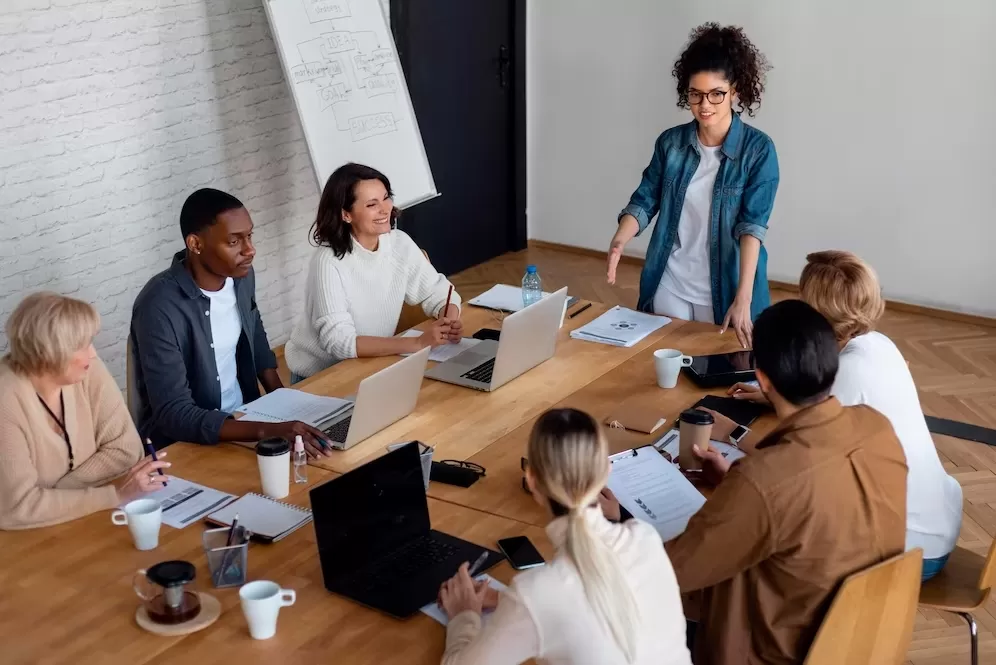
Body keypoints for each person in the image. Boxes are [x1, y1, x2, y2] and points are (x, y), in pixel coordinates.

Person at [615, 300, 907, 664]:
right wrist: (734, 487)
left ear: (762, 379)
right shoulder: (876, 427)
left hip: (777, 651)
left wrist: (616, 520)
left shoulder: (765, 481)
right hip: (865, 638)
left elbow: (670, 572)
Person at [729, 250, 963, 580]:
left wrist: (730, 432)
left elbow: (790, 461)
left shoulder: (849, 371)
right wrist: (772, 397)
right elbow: (831, 408)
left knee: (771, 541)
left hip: (911, 551)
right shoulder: (879, 344)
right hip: (936, 521)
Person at [436, 408, 691, 665]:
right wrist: (508, 604)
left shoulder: (537, 594)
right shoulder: (645, 537)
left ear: (532, 480)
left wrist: (464, 615)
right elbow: (591, 604)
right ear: (605, 472)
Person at [607, 23, 779, 348]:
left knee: (719, 374)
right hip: (669, 280)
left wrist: (743, 298)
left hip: (726, 286)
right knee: (661, 366)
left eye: (717, 94)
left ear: (736, 90)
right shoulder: (671, 144)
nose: (705, 105)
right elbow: (645, 201)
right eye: (696, 94)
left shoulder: (758, 151)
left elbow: (751, 229)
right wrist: (620, 239)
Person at [130, 188, 332, 458]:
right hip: (190, 444)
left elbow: (255, 337)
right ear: (195, 244)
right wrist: (265, 430)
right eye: (234, 242)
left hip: (245, 417)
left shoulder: (241, 277)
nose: (250, 250)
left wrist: (288, 409)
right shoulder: (159, 305)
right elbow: (174, 414)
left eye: (249, 236)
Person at [0, 293, 169, 530]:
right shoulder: (6, 400)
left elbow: (127, 450)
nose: (93, 353)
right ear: (50, 353)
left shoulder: (87, 370)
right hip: (24, 543)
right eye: (82, 346)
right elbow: (16, 509)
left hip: (81, 522)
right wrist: (113, 495)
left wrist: (54, 495)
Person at [285, 163, 462, 382]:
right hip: (321, 377)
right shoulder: (328, 261)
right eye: (371, 204)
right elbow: (339, 341)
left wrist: (449, 321)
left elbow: (440, 292)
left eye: (386, 197)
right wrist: (417, 343)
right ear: (346, 214)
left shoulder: (399, 243)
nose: (385, 209)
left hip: (370, 364)